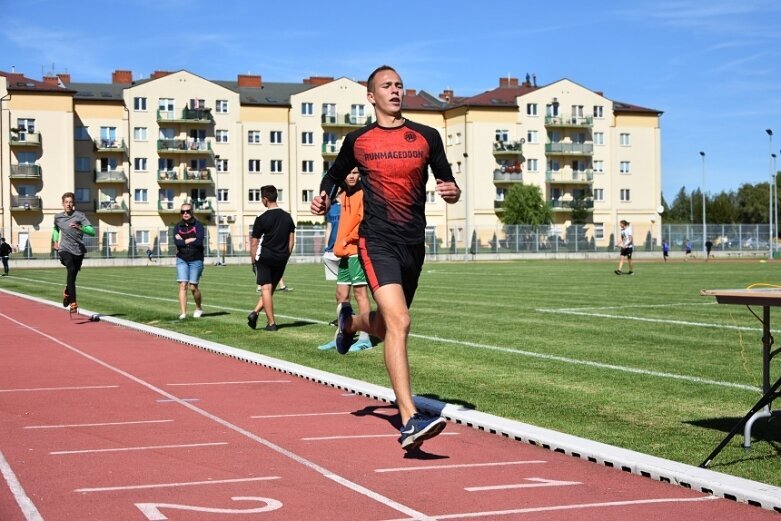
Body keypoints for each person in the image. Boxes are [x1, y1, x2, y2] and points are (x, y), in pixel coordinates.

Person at [311, 65, 461, 451]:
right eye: (386, 86)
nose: (395, 91)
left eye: (399, 85)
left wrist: (452, 191)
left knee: (388, 326)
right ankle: (409, 418)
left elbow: (447, 179)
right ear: (371, 96)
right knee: (401, 321)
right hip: (376, 241)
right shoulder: (358, 140)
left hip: (414, 243)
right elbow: (334, 173)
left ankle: (349, 324)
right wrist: (324, 194)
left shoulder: (427, 136)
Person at [318, 168, 373, 352]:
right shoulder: (344, 196)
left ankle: (365, 338)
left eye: (355, 172)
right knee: (341, 295)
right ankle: (344, 333)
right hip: (343, 252)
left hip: (356, 251)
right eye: (348, 172)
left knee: (360, 294)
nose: (351, 175)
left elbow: (364, 222)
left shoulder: (362, 193)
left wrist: (347, 238)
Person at [248, 185, 295, 332]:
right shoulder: (288, 217)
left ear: (265, 199)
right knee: (271, 289)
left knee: (266, 289)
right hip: (281, 258)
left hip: (265, 257)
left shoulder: (261, 218)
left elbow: (254, 243)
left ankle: (271, 323)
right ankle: (254, 313)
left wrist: (253, 261)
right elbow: (291, 241)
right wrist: (285, 256)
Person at [52, 192, 96, 313]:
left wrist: (80, 228)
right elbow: (55, 229)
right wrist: (55, 241)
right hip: (64, 249)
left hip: (78, 251)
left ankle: (67, 291)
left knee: (72, 277)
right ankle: (73, 303)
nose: (68, 204)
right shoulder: (58, 217)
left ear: (74, 204)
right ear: (62, 204)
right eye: (66, 202)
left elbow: (92, 232)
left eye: (71, 202)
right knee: (70, 269)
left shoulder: (80, 216)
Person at [174, 202, 205, 319]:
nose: (185, 213)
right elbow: (177, 243)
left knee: (193, 287)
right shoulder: (177, 226)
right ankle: (183, 313)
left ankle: (198, 308)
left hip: (196, 259)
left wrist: (183, 240)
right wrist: (189, 239)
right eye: (183, 212)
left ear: (191, 212)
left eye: (187, 211)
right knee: (183, 285)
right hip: (182, 258)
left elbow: (199, 241)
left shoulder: (198, 226)